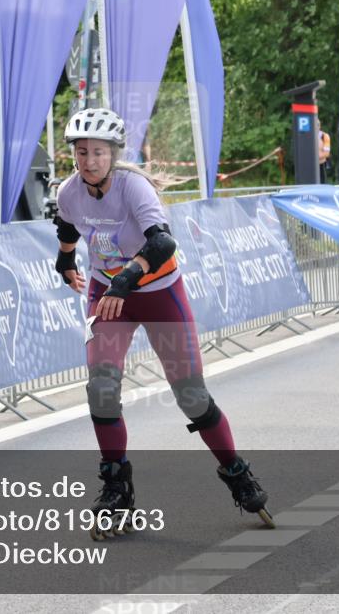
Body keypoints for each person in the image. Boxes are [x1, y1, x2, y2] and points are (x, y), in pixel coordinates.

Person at [53, 108, 272, 539]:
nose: (89, 161)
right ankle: (116, 485)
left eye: (98, 152)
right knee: (100, 386)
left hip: (157, 293)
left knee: (190, 395)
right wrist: (64, 260)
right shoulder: (69, 191)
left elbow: (162, 241)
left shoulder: (133, 188)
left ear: (113, 154)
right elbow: (67, 224)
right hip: (107, 293)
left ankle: (235, 470)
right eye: (81, 153)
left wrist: (125, 281)